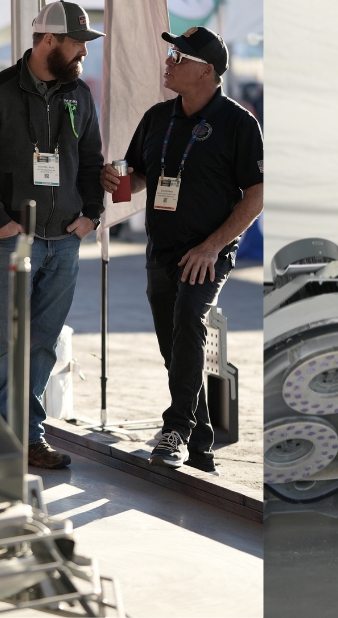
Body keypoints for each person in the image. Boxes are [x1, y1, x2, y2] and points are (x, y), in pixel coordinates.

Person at [100, 26, 263, 472]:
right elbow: (136, 178)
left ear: (207, 71)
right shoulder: (157, 118)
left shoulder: (239, 123)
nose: (168, 62)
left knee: (190, 320)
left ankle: (174, 429)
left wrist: (212, 247)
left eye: (179, 57)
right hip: (162, 250)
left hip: (207, 252)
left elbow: (256, 195)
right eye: (171, 54)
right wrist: (115, 180)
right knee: (175, 349)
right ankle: (201, 445)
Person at [0, 0, 103, 469]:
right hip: (15, 240)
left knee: (43, 342)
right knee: (6, 341)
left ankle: (29, 436)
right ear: (48, 40)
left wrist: (92, 215)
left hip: (66, 240)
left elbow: (93, 162)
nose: (84, 52)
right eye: (77, 43)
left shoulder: (79, 95)